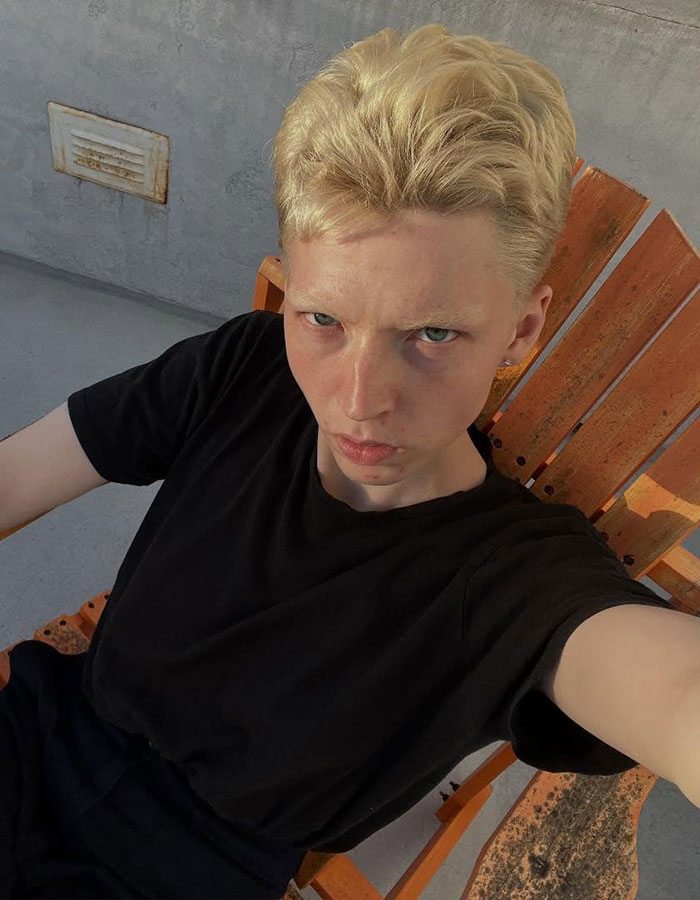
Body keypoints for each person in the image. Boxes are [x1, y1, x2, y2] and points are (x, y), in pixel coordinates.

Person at [0, 22, 674, 899]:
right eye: (323, 320)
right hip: (43, 732)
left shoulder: (518, 585)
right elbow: (16, 474)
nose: (358, 400)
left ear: (522, 329)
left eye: (432, 333)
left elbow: (672, 690)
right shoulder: (245, 368)